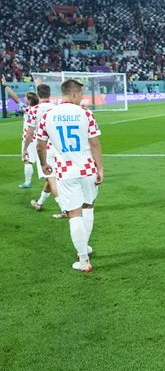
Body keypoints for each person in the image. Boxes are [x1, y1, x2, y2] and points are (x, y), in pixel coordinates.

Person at [36, 79, 104, 273]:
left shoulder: (48, 115)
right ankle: (85, 247)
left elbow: (40, 145)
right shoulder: (86, 113)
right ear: (74, 94)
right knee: (88, 206)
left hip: (65, 171)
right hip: (87, 169)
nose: (82, 97)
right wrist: (101, 169)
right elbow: (95, 144)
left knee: (74, 213)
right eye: (81, 94)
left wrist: (43, 163)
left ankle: (83, 259)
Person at [23, 84, 65, 217]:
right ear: (49, 94)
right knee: (50, 177)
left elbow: (29, 133)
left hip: (44, 147)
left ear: (38, 94)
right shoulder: (57, 108)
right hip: (59, 146)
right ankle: (39, 203)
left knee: (51, 177)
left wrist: (25, 149)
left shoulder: (34, 110)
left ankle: (64, 209)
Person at [3, 74, 38, 188]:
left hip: (29, 138)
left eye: (26, 98)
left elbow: (15, 98)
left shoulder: (27, 109)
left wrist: (6, 86)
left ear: (29, 101)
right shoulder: (40, 109)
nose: (24, 99)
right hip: (41, 137)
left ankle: (27, 182)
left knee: (27, 160)